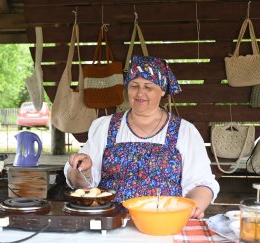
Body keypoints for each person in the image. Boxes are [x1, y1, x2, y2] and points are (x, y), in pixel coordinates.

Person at [64, 56, 219, 219]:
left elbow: (201, 183)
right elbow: (81, 185)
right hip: (112, 221)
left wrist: (193, 208)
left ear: (162, 90)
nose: (140, 93)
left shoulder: (184, 131)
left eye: (148, 87)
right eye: (134, 86)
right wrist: (83, 168)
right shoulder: (105, 126)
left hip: (163, 221)